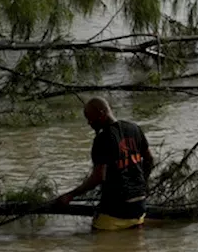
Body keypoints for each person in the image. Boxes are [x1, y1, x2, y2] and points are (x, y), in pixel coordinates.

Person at [50, 97, 154, 231]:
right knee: (134, 249)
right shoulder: (134, 128)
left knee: (98, 248)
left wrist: (70, 195)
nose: (89, 123)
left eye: (90, 118)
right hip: (139, 208)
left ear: (101, 113)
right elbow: (149, 159)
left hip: (114, 212)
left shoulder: (102, 139)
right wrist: (142, 183)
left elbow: (98, 177)